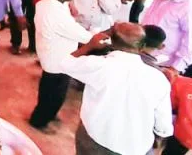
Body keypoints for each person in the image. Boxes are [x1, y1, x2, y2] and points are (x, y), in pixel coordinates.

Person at [61, 23, 173, 155]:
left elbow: (64, 63)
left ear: (111, 43)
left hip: (94, 137)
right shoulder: (158, 79)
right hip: (133, 148)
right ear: (142, 47)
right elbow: (163, 126)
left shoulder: (98, 65)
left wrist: (90, 45)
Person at [29, 0, 97, 133]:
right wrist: (97, 34)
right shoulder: (56, 13)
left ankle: (48, 114)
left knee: (52, 90)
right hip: (57, 58)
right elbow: (85, 37)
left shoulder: (49, 3)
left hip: (54, 54)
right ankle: (39, 121)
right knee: (54, 92)